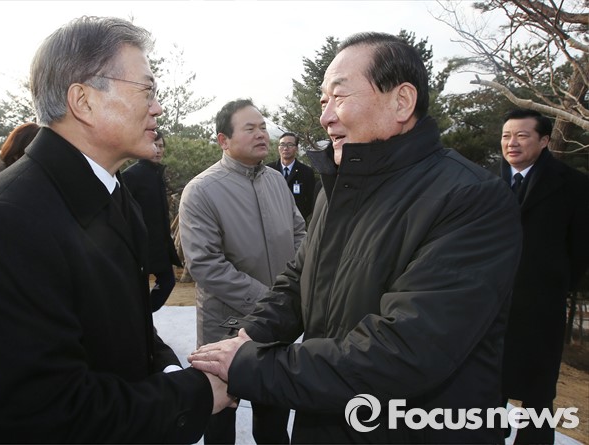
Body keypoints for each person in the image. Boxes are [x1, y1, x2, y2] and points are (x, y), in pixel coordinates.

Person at [189, 32, 523, 443]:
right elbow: (298, 279)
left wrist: (250, 365)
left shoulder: (470, 198)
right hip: (326, 421)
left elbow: (404, 351)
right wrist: (249, 337)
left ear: (402, 101)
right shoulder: (341, 187)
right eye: (323, 101)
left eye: (340, 96)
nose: (326, 117)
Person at [0, 16, 232, 443]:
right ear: (84, 101)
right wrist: (194, 393)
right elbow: (46, 416)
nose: (158, 107)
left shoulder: (111, 191)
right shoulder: (7, 221)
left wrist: (168, 369)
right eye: (146, 90)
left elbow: (127, 330)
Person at [179, 99, 306, 444]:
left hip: (275, 329)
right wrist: (273, 301)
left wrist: (291, 295)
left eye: (263, 127)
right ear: (224, 140)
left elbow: (300, 235)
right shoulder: (201, 191)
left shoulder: (276, 182)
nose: (261, 134)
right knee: (220, 422)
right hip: (226, 328)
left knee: (273, 423)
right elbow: (206, 264)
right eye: (250, 128)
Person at [498, 108, 589, 443]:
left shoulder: (574, 184)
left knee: (537, 390)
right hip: (490, 303)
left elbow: (580, 248)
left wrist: (554, 282)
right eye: (506, 136)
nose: (512, 143)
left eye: (522, 136)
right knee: (488, 383)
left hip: (541, 305)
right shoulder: (485, 182)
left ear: (545, 140)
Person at [122, 129, 183, 312]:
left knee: (167, 281)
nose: (158, 150)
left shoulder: (157, 174)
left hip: (159, 245)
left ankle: (143, 316)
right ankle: (141, 321)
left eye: (161, 146)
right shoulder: (131, 175)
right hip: (139, 246)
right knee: (138, 289)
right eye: (155, 145)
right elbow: (122, 211)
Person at [267, 132, 316, 221]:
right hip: (272, 220)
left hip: (297, 222)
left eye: (290, 145)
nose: (285, 148)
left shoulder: (306, 172)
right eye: (282, 144)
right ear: (278, 148)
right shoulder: (268, 170)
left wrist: (299, 217)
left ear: (296, 148)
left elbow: (311, 200)